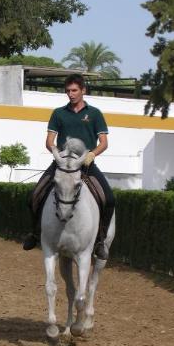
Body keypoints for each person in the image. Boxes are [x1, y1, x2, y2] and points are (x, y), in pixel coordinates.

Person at [23, 73, 115, 260]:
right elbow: (49, 141)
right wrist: (57, 153)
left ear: (83, 90)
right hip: (62, 164)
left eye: (74, 90)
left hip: (86, 165)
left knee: (110, 199)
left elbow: (104, 142)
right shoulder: (59, 113)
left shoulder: (95, 114)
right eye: (68, 91)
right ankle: (34, 233)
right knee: (34, 196)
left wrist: (91, 154)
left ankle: (100, 241)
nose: (71, 94)